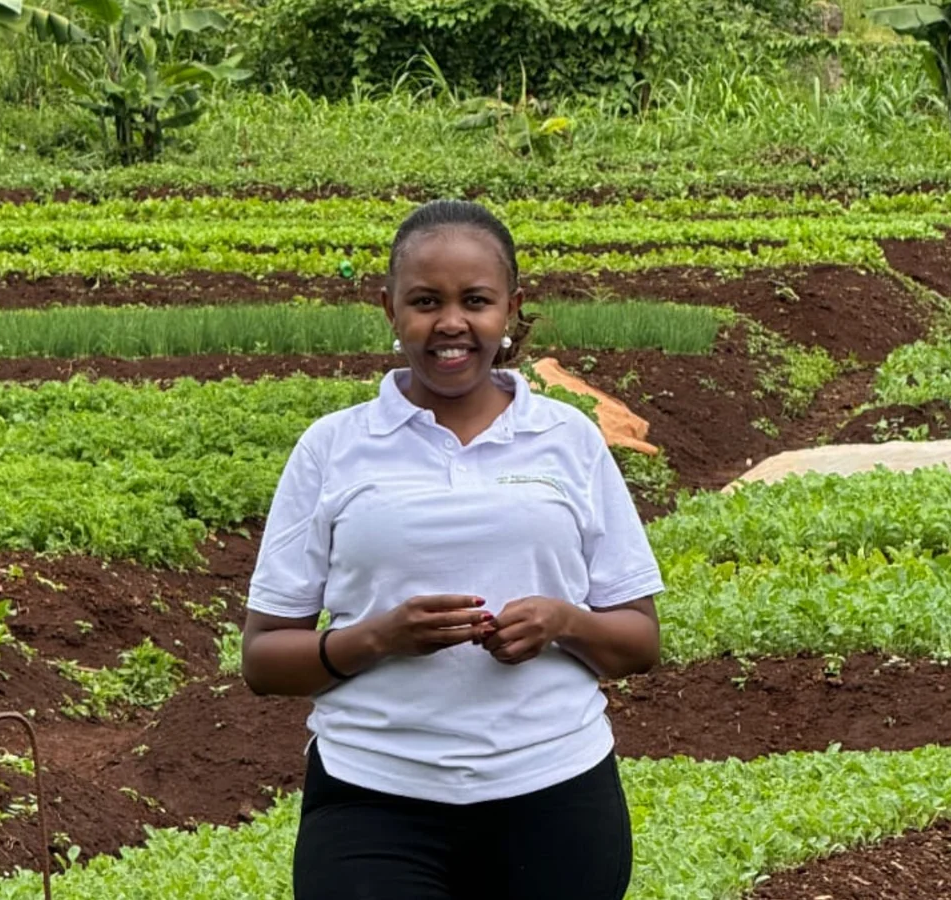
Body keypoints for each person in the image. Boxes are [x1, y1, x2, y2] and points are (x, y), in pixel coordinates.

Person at [240, 199, 665, 900]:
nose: (451, 323)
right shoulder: (333, 448)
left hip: (554, 789)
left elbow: (638, 641)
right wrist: (378, 637)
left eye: (475, 300)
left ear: (511, 309)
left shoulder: (569, 438)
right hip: (372, 794)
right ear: (389, 309)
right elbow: (262, 661)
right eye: (425, 301)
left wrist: (562, 622)